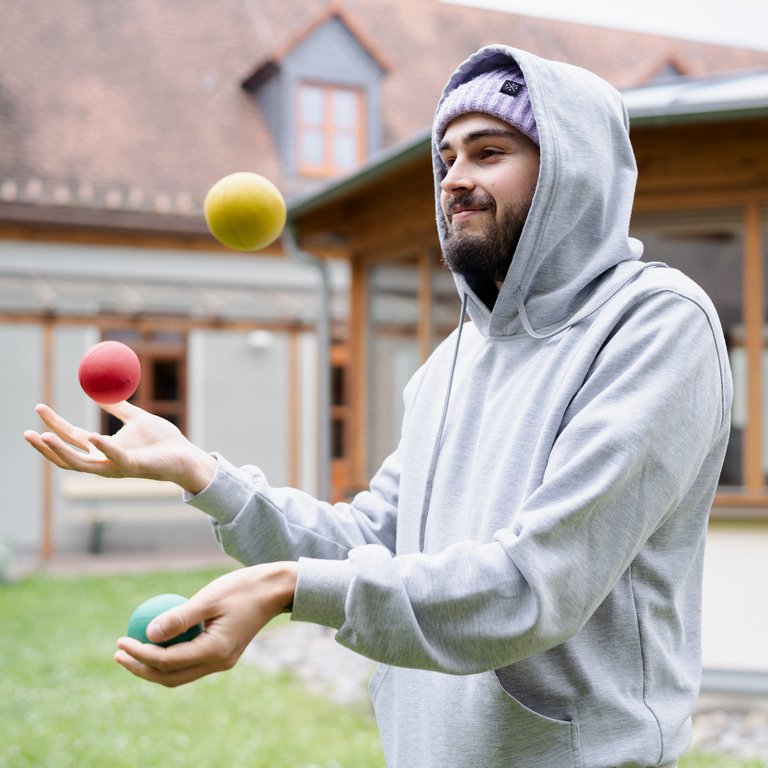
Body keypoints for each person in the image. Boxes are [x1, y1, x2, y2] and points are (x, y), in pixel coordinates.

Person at [25, 44, 733, 768]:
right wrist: (203, 474)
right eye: (447, 159)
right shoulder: (445, 367)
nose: (455, 180)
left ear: (568, 171)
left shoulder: (655, 325)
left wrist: (287, 587)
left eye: (489, 152)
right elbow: (371, 539)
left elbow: (534, 585)